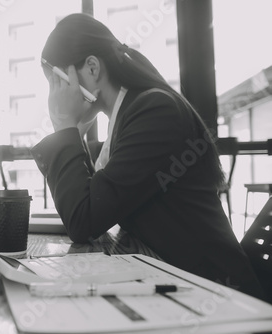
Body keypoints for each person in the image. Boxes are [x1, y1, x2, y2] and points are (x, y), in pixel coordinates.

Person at [31, 13, 264, 299]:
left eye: (59, 83)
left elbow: (84, 220)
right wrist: (72, 134)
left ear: (92, 68)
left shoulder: (153, 111)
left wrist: (64, 127)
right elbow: (94, 204)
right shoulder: (129, 112)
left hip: (216, 293)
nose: (55, 96)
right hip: (170, 278)